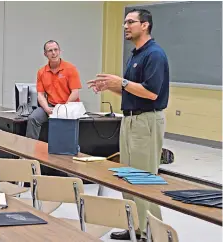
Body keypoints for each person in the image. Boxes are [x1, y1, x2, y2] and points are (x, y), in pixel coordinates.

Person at [87, 9, 169, 240]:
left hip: (146, 120)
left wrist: (120, 81)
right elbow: (131, 90)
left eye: (130, 22)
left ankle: (153, 232)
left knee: (144, 178)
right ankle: (135, 226)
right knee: (128, 176)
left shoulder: (154, 55)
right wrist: (109, 86)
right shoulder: (135, 54)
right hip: (130, 119)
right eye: (124, 22)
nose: (125, 26)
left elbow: (151, 93)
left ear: (145, 25)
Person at [26, 40, 82, 140]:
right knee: (33, 118)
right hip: (51, 105)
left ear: (60, 51)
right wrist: (47, 108)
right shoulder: (41, 72)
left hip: (69, 105)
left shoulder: (70, 69)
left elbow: (75, 93)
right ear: (45, 54)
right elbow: (40, 95)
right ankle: (29, 152)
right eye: (50, 50)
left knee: (62, 126)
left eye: (56, 50)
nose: (53, 53)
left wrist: (63, 108)